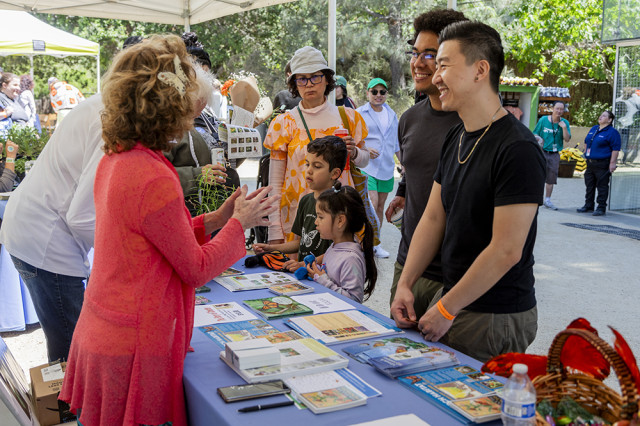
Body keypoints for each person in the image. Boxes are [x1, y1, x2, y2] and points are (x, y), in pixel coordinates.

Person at [58, 35, 278, 426]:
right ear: (169, 109)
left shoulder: (119, 157)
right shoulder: (151, 173)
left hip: (106, 330)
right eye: (191, 108)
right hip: (133, 346)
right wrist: (239, 224)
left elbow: (149, 234)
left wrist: (214, 220)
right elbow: (195, 268)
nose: (194, 117)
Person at [390, 21, 545, 362]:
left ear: (480, 70)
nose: (436, 76)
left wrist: (446, 308)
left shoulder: (518, 148)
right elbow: (433, 218)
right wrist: (406, 283)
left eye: (444, 64)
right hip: (456, 300)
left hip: (494, 313)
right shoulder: (457, 136)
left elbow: (506, 250)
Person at [0, 37, 145, 364]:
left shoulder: (103, 106)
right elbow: (82, 216)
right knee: (76, 352)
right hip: (46, 242)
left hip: (37, 233)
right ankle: (72, 412)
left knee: (70, 346)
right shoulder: (110, 118)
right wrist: (124, 262)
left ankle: (69, 404)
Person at [384, 9, 467, 320]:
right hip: (409, 268)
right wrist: (404, 190)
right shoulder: (409, 119)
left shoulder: (474, 123)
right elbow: (413, 167)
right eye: (415, 53)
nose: (418, 63)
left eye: (430, 54)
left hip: (458, 279)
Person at [264, 46, 370, 247]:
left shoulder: (348, 117)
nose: (309, 84)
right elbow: (275, 183)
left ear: (327, 79)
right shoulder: (283, 123)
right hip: (298, 220)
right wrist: (274, 231)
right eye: (301, 78)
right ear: (294, 83)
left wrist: (354, 152)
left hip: (341, 216)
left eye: (315, 77)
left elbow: (364, 161)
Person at [254, 136, 347, 270]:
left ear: (334, 173)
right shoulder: (306, 201)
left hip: (326, 277)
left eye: (317, 166)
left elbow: (338, 250)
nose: (309, 170)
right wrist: (271, 248)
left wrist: (304, 264)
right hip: (305, 274)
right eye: (307, 164)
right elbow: (301, 242)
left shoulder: (339, 205)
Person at [307, 181, 377, 303]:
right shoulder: (335, 247)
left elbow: (354, 300)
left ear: (340, 220)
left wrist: (322, 280)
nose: (316, 222)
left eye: (321, 217)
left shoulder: (351, 258)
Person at [358, 78, 399, 259]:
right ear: (367, 93)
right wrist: (365, 148)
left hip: (386, 167)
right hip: (368, 166)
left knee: (380, 206)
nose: (378, 95)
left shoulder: (392, 115)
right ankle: (365, 243)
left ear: (386, 94)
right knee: (371, 205)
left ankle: (376, 243)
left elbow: (397, 143)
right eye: (374, 92)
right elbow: (353, 139)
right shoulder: (359, 113)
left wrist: (403, 162)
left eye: (382, 92)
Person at [577, 110, 621, 216]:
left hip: (602, 163)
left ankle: (601, 207)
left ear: (610, 120)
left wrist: (612, 163)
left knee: (602, 186)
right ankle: (588, 205)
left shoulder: (612, 132)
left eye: (604, 116)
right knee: (589, 185)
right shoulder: (594, 129)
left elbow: (615, 149)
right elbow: (586, 141)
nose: (601, 117)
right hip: (590, 163)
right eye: (601, 115)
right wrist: (586, 154)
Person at [533, 100, 571, 210]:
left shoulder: (565, 123)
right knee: (538, 175)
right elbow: (535, 133)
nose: (559, 111)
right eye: (557, 108)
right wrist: (538, 139)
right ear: (552, 109)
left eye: (561, 109)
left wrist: (563, 127)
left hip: (554, 154)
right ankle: (536, 197)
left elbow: (567, 139)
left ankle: (548, 200)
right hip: (542, 152)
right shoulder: (543, 120)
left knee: (551, 177)